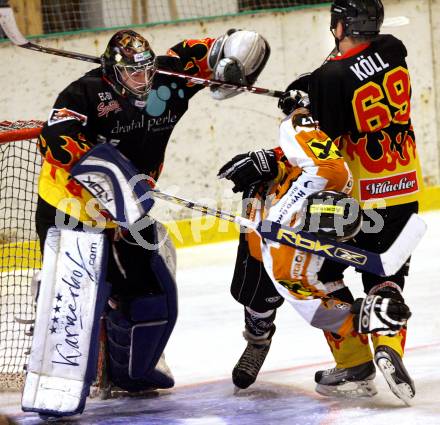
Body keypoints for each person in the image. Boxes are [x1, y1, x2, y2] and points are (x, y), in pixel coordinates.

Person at [24, 28, 270, 418]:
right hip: (70, 207)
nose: (143, 79)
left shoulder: (167, 82)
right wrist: (114, 180)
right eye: (132, 72)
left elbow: (210, 50)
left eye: (147, 69)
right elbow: (54, 138)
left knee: (148, 288)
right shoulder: (84, 93)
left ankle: (129, 372)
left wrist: (236, 62)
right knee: (76, 295)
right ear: (113, 71)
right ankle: (56, 371)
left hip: (130, 209)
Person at [235, 0, 420, 404]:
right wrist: (311, 88)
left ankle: (354, 360)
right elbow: (354, 72)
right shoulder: (394, 49)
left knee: (325, 274)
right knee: (385, 276)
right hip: (404, 187)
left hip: (357, 201)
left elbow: (325, 145)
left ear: (338, 25)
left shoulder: (329, 77)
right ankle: (389, 344)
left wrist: (302, 106)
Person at [219, 94, 411, 398]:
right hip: (356, 200)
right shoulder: (308, 135)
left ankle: (359, 347)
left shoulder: (314, 134)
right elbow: (305, 159)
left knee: (303, 282)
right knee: (258, 294)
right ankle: (259, 340)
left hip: (342, 209)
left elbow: (327, 169)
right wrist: (271, 161)